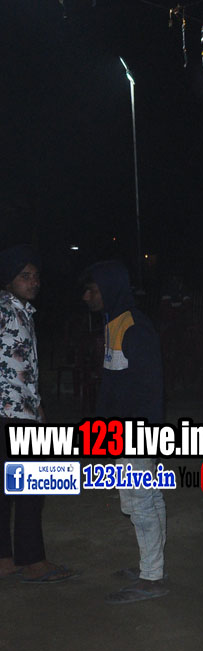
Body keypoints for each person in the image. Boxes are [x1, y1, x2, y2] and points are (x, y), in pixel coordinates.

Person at [81, 260, 167, 603]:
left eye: (93, 290)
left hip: (136, 432)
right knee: (150, 498)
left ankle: (152, 577)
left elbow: (148, 389)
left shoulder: (133, 327)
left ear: (110, 289)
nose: (87, 296)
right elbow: (115, 387)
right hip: (130, 430)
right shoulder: (115, 323)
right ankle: (153, 567)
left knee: (138, 502)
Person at [0, 245, 76, 583]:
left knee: (7, 490)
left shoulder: (22, 311)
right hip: (11, 412)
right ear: (9, 280)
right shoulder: (6, 310)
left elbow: (26, 369)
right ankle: (32, 561)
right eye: (25, 276)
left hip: (22, 410)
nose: (33, 282)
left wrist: (38, 405)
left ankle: (5, 560)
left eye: (35, 276)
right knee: (29, 489)